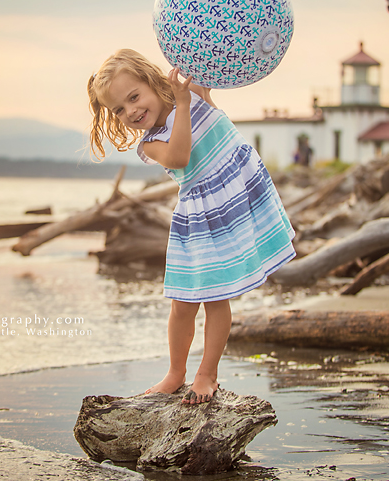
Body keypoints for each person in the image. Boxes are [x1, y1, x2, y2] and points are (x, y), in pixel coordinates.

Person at [87, 48, 296, 404]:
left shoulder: (194, 93)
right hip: (199, 218)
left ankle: (207, 373)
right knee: (182, 302)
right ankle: (176, 372)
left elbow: (214, 60)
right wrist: (182, 106)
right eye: (119, 109)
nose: (131, 111)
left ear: (152, 81)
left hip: (231, 199)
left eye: (134, 97)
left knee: (216, 298)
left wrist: (191, 80)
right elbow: (180, 156)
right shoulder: (151, 144)